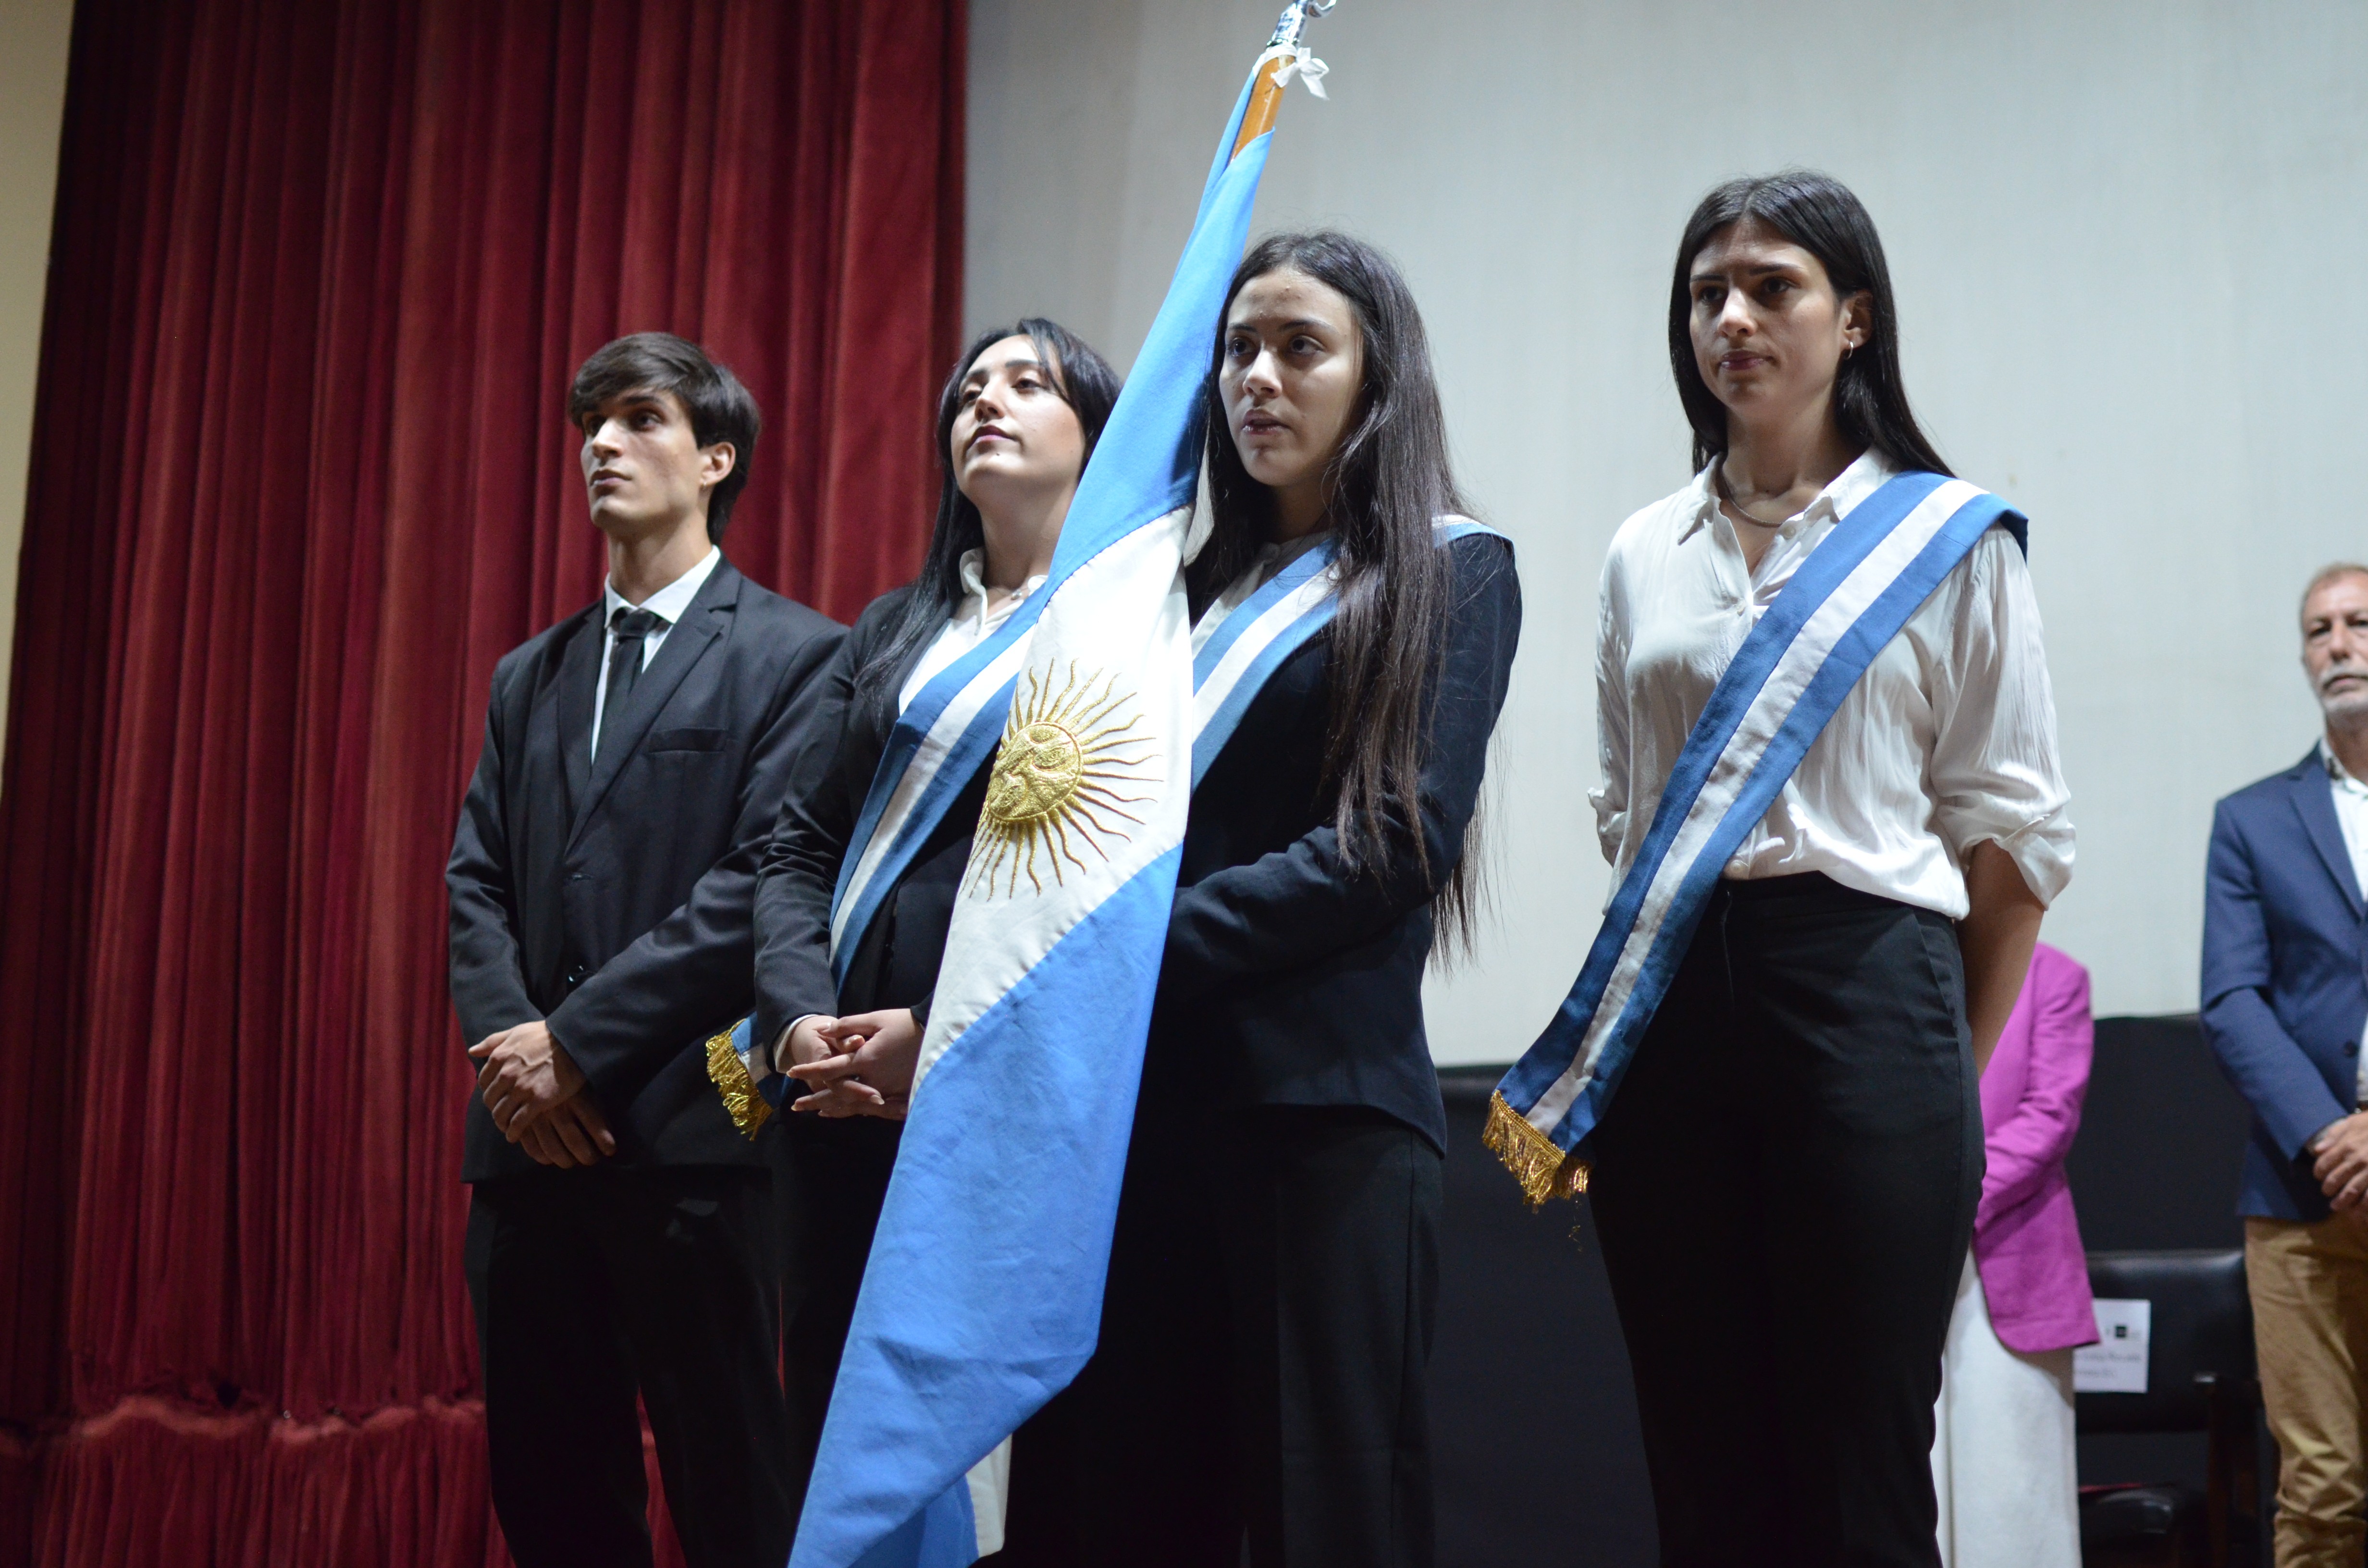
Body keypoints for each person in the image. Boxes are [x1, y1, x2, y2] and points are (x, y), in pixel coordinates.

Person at [940, 230, 1519, 1568]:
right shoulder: (1169, 597)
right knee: (1117, 1512)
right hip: (1130, 1120)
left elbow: (1389, 847)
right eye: (1238, 351)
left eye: (1300, 349)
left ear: (1377, 380)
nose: (1258, 378)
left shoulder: (1453, 567)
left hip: (1320, 1120)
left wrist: (1120, 949)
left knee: (1331, 1519)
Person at [1581, 172, 2073, 1568]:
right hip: (1672, 1007)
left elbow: (2015, 837)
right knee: (1703, 1465)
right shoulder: (1641, 550)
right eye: (1706, 295)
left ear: (1854, 318)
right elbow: (1623, 813)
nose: (1732, 319)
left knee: (1862, 1466)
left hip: (1873, 999)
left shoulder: (1948, 538)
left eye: (1771, 288)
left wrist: (1938, 1068)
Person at [447, 332, 843, 1568]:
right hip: (530, 1148)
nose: (602, 447)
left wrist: (574, 1047)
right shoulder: (530, 673)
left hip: (692, 1137)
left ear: (716, 459)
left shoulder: (799, 655)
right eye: (591, 427)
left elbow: (758, 883)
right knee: (552, 1499)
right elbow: (475, 882)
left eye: (639, 420)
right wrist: (519, 1063)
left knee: (735, 1495)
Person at [748, 318, 1120, 1494]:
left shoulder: (1131, 634)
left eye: (1026, 384)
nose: (984, 402)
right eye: (968, 391)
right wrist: (796, 1021)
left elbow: (1102, 891)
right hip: (834, 1094)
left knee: (993, 1469)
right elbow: (798, 848)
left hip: (1002, 1087)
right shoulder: (892, 629)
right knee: (834, 1444)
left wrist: (942, 1032)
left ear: (1098, 435)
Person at [2203, 561, 2368, 1568]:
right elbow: (2230, 1000)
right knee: (2322, 1487)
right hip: (2303, 1193)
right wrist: (2332, 1133)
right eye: (2318, 630)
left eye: (2359, 622)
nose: (2339, 645)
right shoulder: (2252, 819)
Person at [1929, 942, 2097, 1568]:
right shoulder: (1885, 970)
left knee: (2013, 1490)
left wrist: (1947, 1193)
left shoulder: (2055, 975)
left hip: (2010, 1253)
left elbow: (2049, 1117)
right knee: (1909, 1485)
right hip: (1892, 1255)